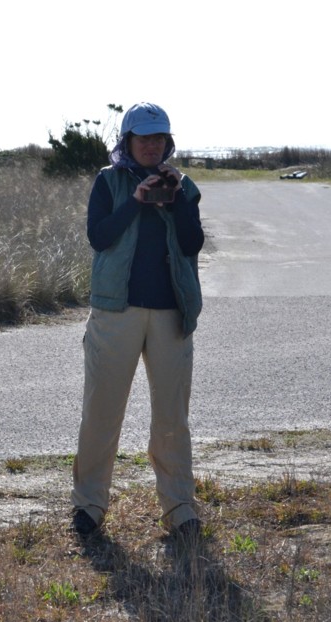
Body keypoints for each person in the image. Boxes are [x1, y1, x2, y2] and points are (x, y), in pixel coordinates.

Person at [70, 102, 204, 542]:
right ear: (126, 141)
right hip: (115, 313)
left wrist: (177, 196)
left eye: (159, 137)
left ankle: (180, 508)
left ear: (169, 142)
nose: (151, 145)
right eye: (142, 137)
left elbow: (191, 242)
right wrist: (137, 201)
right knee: (102, 413)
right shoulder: (109, 183)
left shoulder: (184, 186)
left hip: (171, 314)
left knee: (172, 418)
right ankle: (89, 505)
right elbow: (100, 236)